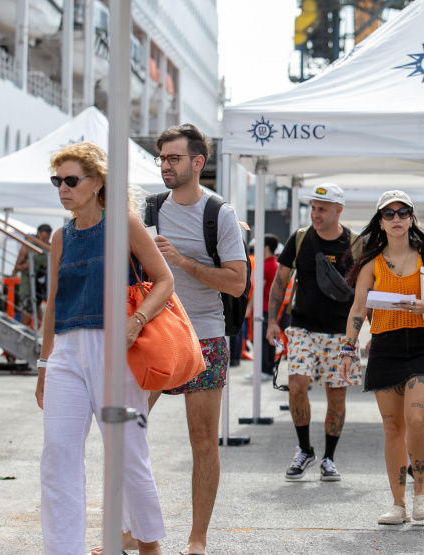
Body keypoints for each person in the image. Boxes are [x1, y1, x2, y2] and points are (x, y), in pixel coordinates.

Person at [36, 142, 172, 555]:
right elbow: (53, 303)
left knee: (129, 453)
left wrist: (137, 320)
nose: (63, 188)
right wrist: (44, 366)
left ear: (96, 183)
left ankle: (148, 545)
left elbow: (164, 281)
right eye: (57, 181)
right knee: (57, 456)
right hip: (66, 357)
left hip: (117, 355)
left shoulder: (125, 225)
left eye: (71, 180)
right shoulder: (61, 237)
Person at [147, 124, 247, 555]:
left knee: (202, 441)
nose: (166, 166)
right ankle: (138, 529)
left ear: (198, 162)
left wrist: (182, 262)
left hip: (204, 337)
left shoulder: (219, 213)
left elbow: (237, 283)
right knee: (126, 431)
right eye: (162, 158)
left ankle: (197, 538)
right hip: (152, 335)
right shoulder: (148, 209)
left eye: (174, 158)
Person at [340, 190, 424, 525]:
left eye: (403, 213)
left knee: (415, 418)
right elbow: (358, 307)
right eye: (389, 214)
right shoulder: (372, 261)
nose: (396, 219)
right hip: (385, 345)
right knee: (392, 426)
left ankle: (421, 492)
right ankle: (398, 504)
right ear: (380, 221)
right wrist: (349, 348)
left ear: (411, 218)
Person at [265, 183, 361, 482]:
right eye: (313, 208)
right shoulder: (301, 238)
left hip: (340, 333)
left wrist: (361, 335)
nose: (315, 214)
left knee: (336, 396)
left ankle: (329, 458)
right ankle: (305, 449)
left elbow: (366, 291)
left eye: (322, 209)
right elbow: (280, 283)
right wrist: (271, 322)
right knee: (296, 385)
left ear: (338, 210)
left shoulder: (356, 244)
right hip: (302, 327)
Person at [13, 223, 52, 327]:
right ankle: (24, 337)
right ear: (38, 234)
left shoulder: (49, 247)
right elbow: (16, 267)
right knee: (26, 314)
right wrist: (25, 266)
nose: (45, 240)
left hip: (40, 288)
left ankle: (35, 339)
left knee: (40, 317)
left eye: (47, 238)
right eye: (44, 238)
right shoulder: (28, 246)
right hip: (27, 286)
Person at [258, 234, 280, 380]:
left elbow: (259, 289)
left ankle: (264, 370)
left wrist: (249, 308)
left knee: (263, 340)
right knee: (270, 340)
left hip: (264, 307)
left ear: (265, 248)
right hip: (272, 308)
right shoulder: (275, 265)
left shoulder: (265, 266)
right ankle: (269, 368)